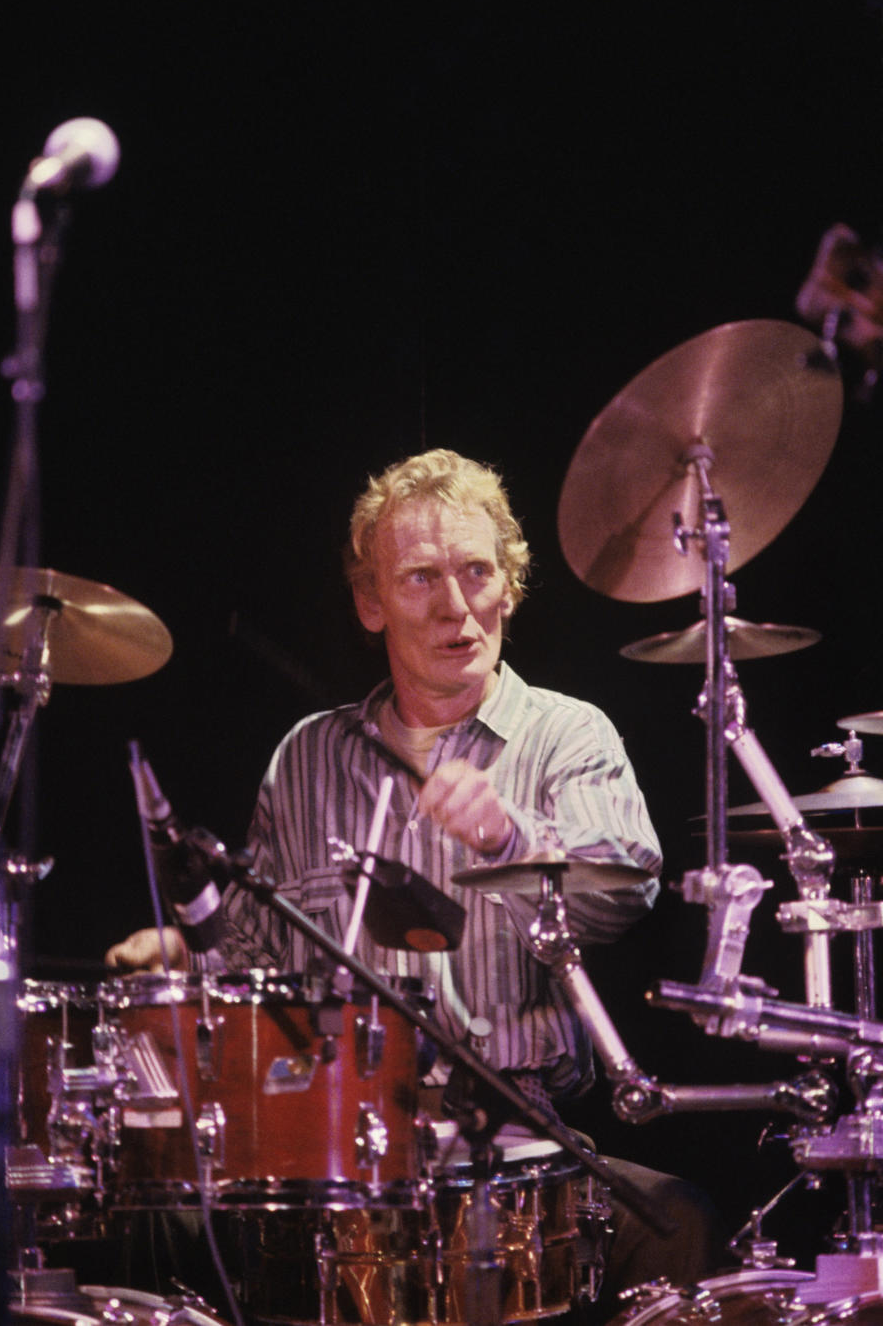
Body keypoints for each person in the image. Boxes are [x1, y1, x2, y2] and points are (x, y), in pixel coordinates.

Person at [107, 447, 727, 1308]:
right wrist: (184, 950)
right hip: (345, 1155)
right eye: (420, 579)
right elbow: (259, 960)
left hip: (522, 1140)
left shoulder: (568, 736)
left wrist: (510, 830)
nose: (458, 608)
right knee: (156, 1224)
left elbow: (625, 888)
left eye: (478, 572)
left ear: (510, 585)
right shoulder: (308, 756)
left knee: (678, 1220)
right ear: (370, 603)